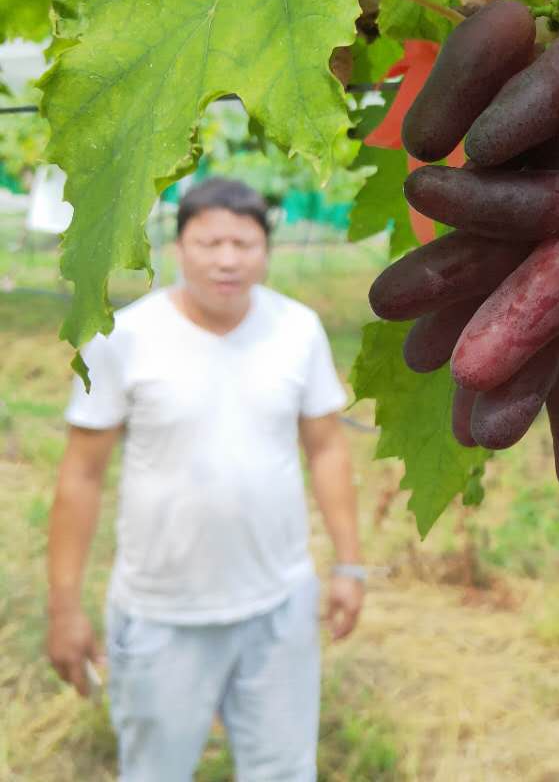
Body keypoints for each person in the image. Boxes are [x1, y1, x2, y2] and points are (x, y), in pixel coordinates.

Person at [44, 177, 365, 781]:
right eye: (209, 241)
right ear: (178, 245)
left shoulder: (298, 330)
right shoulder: (124, 338)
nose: (226, 259)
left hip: (279, 605)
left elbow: (326, 450)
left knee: (284, 771)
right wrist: (64, 608)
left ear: (267, 250)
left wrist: (348, 565)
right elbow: (81, 475)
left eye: (244, 244)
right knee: (155, 770)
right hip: (162, 613)